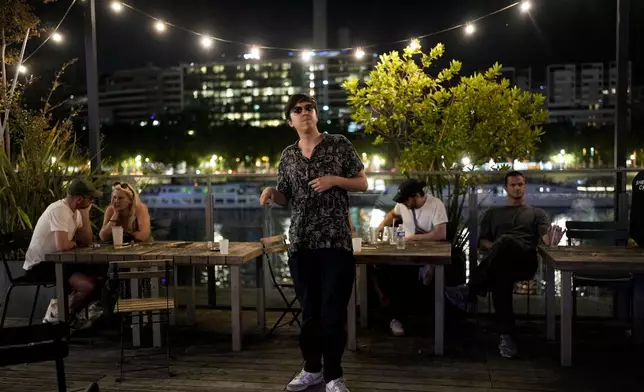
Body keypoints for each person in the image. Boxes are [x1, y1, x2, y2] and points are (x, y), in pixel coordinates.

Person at [259, 94, 367, 392]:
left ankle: (334, 375)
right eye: (298, 109)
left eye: (309, 108)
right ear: (290, 120)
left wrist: (334, 180)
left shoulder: (339, 144)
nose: (305, 112)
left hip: (335, 241)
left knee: (333, 313)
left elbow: (362, 182)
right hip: (302, 243)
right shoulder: (287, 156)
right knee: (310, 313)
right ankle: (312, 369)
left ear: (316, 115)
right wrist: (271, 192)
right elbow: (285, 197)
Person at [445, 171, 564, 359]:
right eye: (513, 185)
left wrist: (553, 238)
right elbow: (482, 242)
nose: (517, 188)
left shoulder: (536, 213)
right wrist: (498, 247)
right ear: (506, 188)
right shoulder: (493, 213)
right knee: (501, 278)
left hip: (524, 260)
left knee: (506, 241)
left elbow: (546, 241)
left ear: (524, 186)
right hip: (501, 263)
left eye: (520, 184)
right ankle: (507, 337)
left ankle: (470, 290)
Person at [374, 179, 448, 336]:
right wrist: (381, 226)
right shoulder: (402, 205)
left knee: (402, 275)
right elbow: (392, 214)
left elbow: (440, 234)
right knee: (378, 267)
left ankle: (397, 316)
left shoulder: (436, 205)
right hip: (403, 252)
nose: (403, 203)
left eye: (406, 199)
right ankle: (390, 313)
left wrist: (412, 238)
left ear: (416, 196)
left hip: (426, 254)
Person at [23, 178, 103, 323]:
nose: (92, 201)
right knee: (89, 285)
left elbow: (86, 241)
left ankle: (66, 315)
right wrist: (73, 243)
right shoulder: (59, 210)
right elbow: (62, 246)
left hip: (59, 262)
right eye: (90, 198)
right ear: (79, 199)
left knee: (100, 273)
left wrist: (85, 215)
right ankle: (59, 316)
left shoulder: (76, 212)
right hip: (40, 265)